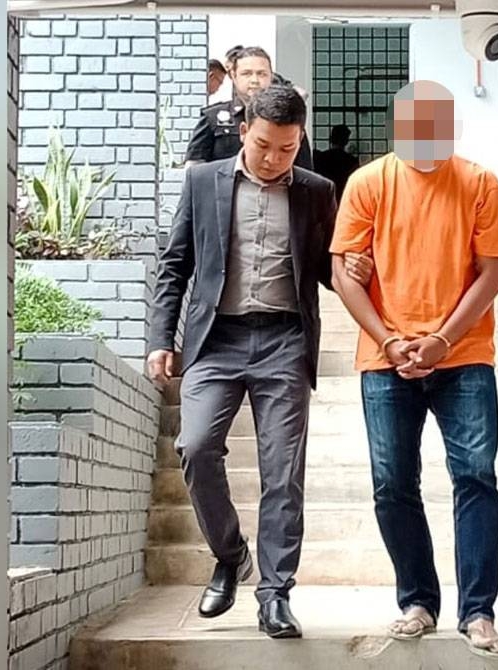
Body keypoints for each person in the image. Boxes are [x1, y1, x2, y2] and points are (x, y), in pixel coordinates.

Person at [146, 85, 363, 639]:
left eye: (287, 149)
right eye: (264, 145)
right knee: (195, 446)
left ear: (300, 142)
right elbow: (175, 264)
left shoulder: (316, 191)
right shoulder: (203, 181)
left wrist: (356, 271)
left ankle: (275, 595)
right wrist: (161, 338)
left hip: (284, 340)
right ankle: (230, 554)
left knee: (283, 472)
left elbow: (326, 269)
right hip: (215, 340)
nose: (273, 159)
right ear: (245, 131)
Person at [330, 80, 498, 659]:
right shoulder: (367, 183)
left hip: (464, 355)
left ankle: (478, 612)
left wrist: (442, 339)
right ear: (398, 128)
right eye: (416, 128)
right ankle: (417, 601)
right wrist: (389, 340)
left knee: (476, 477)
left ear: (452, 128)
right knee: (392, 483)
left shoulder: (480, 183)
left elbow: (492, 272)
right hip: (385, 360)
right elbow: (343, 273)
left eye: (437, 128)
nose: (427, 139)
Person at [184, 46, 312, 170]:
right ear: (234, 76)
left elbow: (305, 172)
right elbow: (194, 168)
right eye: (247, 74)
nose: (254, 80)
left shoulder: (288, 118)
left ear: (271, 77)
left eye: (262, 74)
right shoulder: (212, 118)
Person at [313, 124, 359, 201]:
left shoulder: (320, 158)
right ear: (346, 141)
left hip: (323, 196)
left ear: (331, 138)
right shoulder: (351, 161)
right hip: (342, 197)